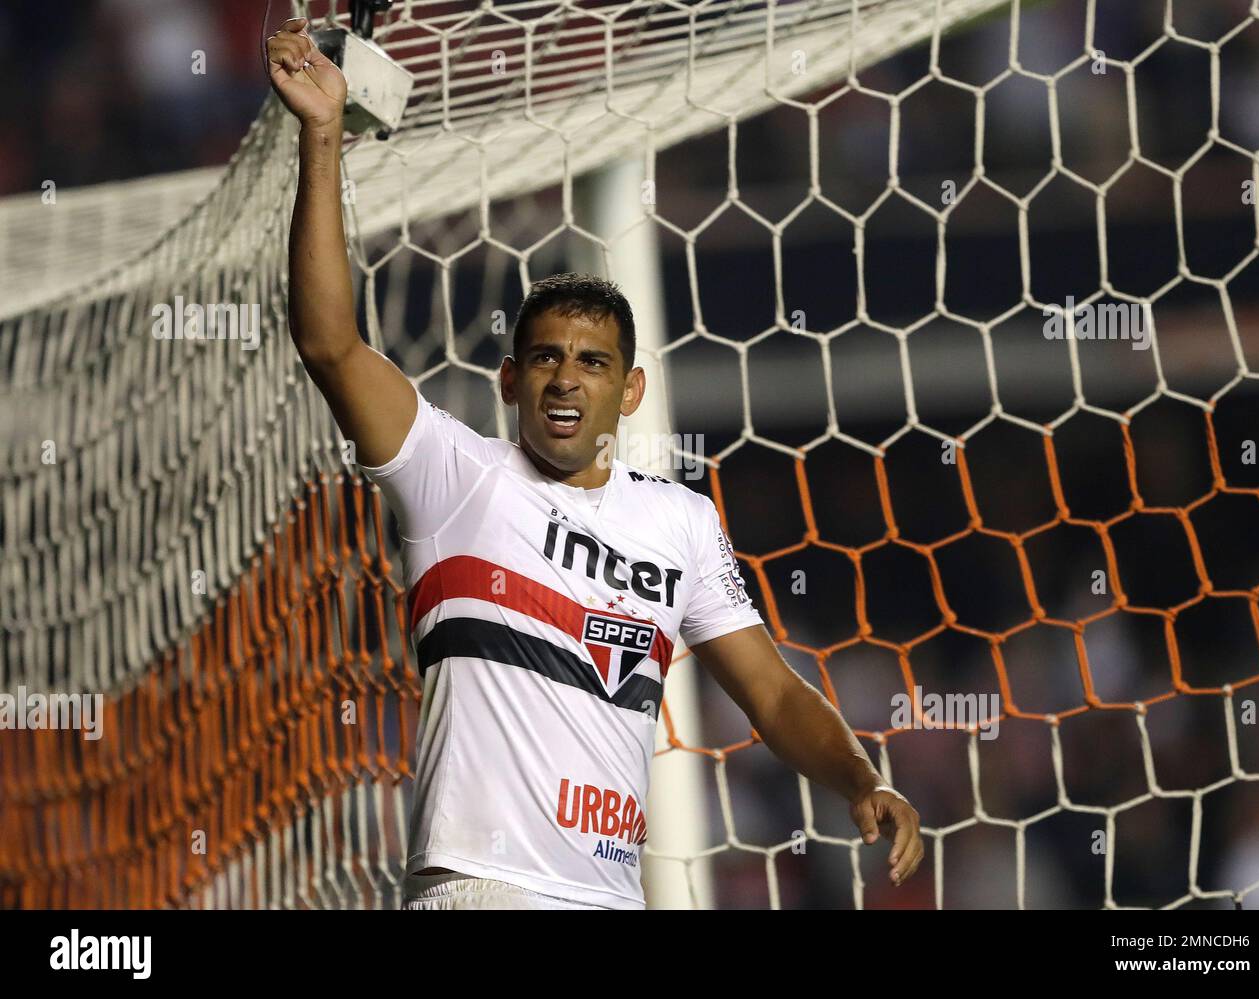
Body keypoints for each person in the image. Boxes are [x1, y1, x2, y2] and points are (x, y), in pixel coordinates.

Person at [266, 16, 923, 909]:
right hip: (482, 886)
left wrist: (858, 776)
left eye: (592, 361)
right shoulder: (455, 478)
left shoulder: (679, 522)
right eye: (544, 358)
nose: (565, 379)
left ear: (632, 391)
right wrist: (321, 136)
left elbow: (770, 690)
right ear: (508, 380)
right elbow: (330, 343)